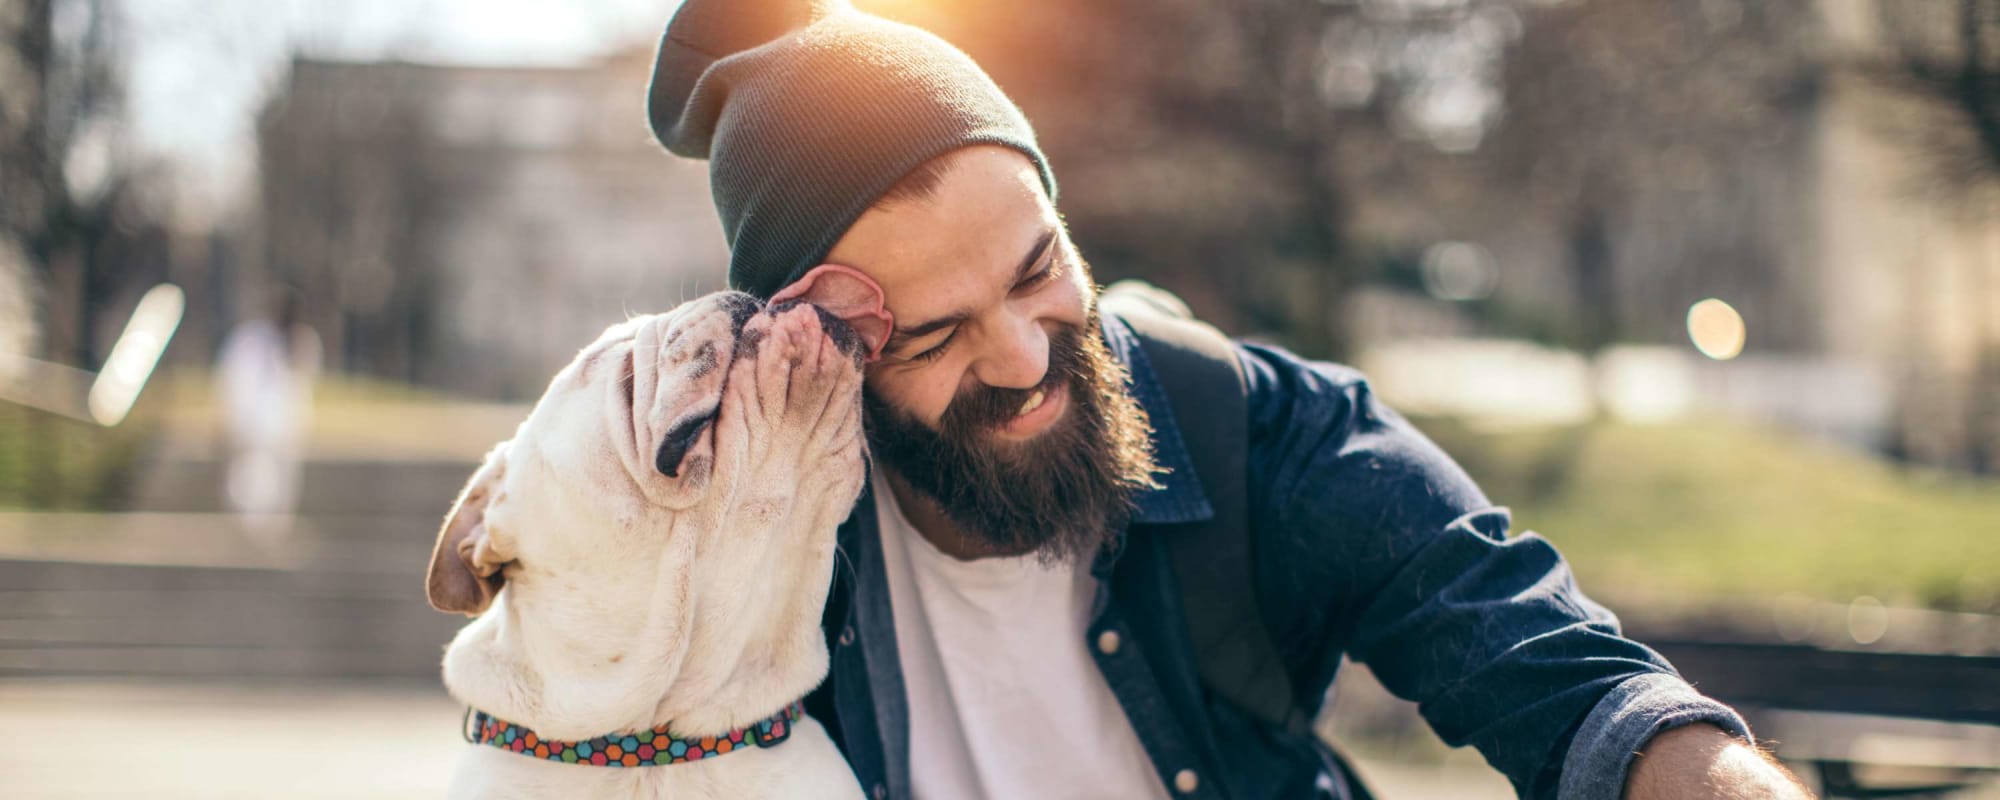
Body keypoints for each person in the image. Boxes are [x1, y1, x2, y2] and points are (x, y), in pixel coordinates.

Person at [644, 2, 1812, 798]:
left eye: (1037, 270)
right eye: (936, 334)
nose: (1018, 356)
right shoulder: (755, 555)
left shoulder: (1252, 427)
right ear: (822, 354)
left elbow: (1545, 665)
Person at [215, 288, 319, 541]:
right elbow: (235, 379)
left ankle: (274, 533)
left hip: (286, 427)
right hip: (253, 424)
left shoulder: (302, 341)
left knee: (281, 485)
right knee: (251, 480)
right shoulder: (251, 339)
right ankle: (248, 532)